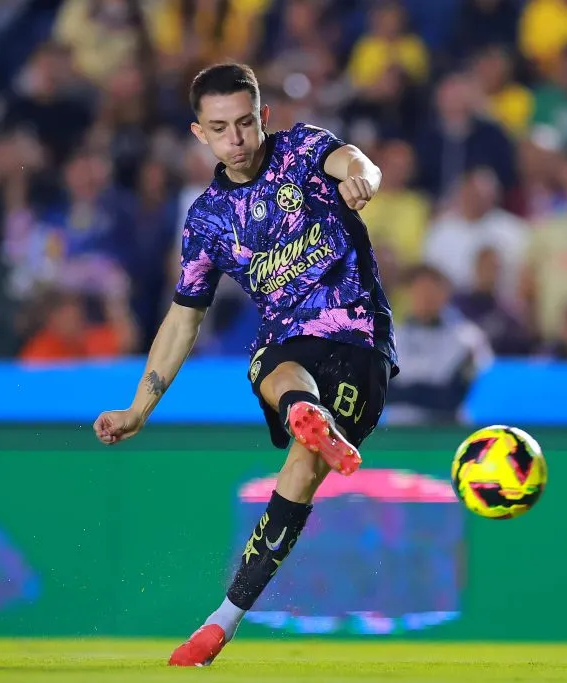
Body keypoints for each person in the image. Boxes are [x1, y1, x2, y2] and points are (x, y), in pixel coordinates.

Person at [91, 63, 399, 666]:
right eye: (218, 128)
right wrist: (138, 409)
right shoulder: (207, 219)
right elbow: (183, 319)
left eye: (243, 123)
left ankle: (223, 616)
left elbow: (355, 161)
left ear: (264, 117)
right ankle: (219, 625)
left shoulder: (302, 151)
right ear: (198, 133)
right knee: (276, 386)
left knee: (296, 449)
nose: (234, 139)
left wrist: (364, 179)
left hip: (359, 335)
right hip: (288, 343)